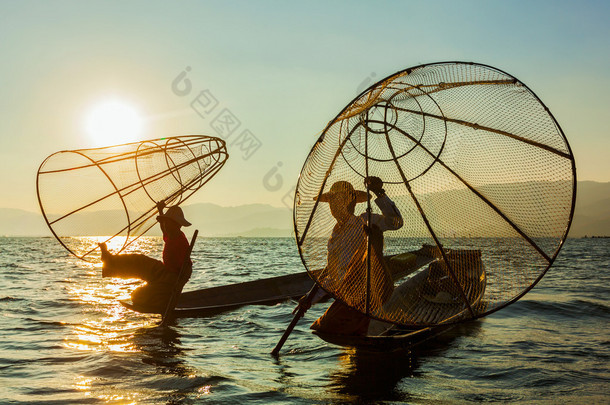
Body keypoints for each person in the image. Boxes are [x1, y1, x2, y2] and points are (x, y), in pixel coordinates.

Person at [303, 176, 403, 336]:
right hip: (349, 297)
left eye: (340, 200)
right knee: (322, 327)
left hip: (372, 292)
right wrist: (310, 299)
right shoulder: (334, 237)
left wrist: (379, 193)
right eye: (332, 202)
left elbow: (395, 222)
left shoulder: (366, 220)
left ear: (352, 203)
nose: (335, 206)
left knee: (333, 327)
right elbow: (333, 276)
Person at [99, 201, 193, 312]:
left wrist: (176, 286)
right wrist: (160, 210)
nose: (166, 226)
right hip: (165, 270)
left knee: (137, 296)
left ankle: (160, 302)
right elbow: (163, 228)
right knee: (139, 261)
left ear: (177, 225)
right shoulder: (170, 233)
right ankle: (110, 262)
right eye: (165, 222)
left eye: (168, 223)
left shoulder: (179, 241)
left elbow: (185, 270)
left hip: (172, 278)